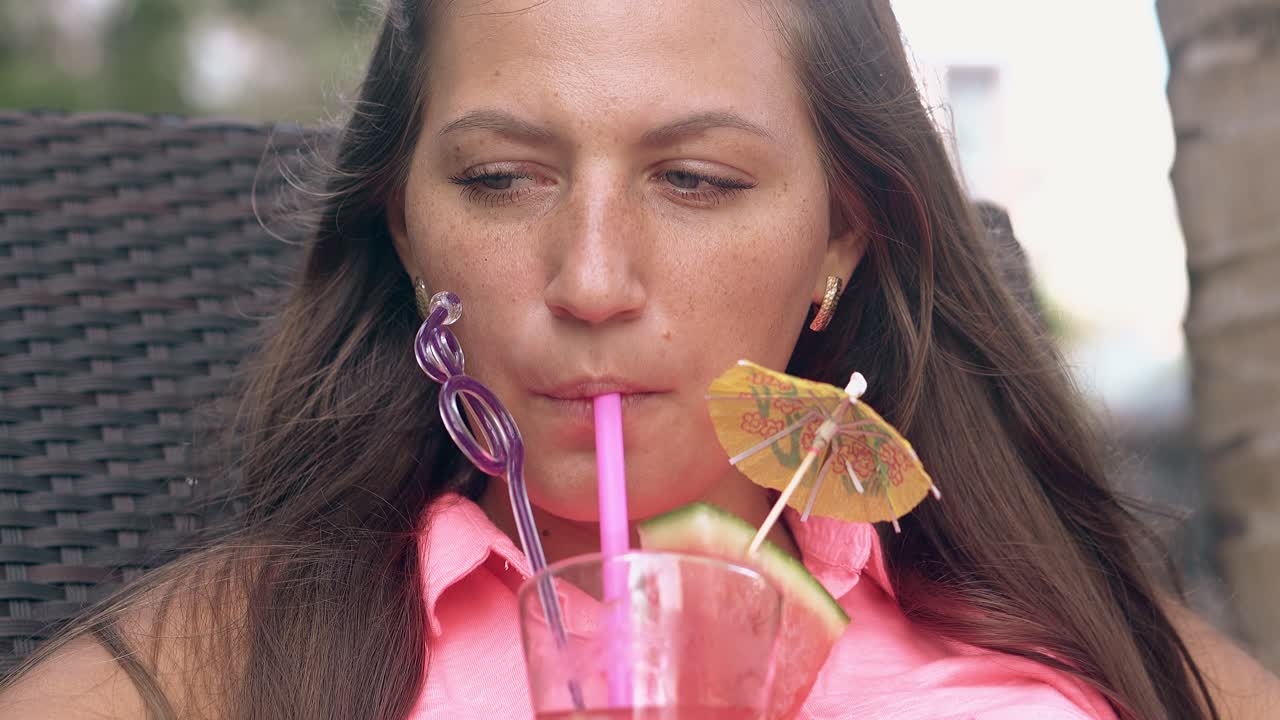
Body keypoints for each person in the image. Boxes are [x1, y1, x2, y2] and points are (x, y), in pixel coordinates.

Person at [2, 1, 1278, 718]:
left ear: (844, 226)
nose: (593, 281)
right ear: (404, 225)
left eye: (695, 179)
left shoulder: (1067, 625)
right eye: (500, 180)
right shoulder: (250, 656)